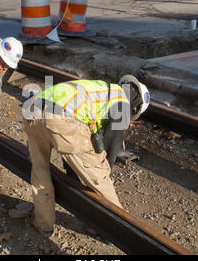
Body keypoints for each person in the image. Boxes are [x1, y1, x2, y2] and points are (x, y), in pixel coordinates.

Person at [22, 75, 150, 236]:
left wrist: (73, 169)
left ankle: (43, 224)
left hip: (32, 110)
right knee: (100, 177)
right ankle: (120, 234)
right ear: (135, 107)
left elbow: (77, 139)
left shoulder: (100, 89)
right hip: (60, 117)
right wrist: (100, 173)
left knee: (39, 171)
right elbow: (110, 150)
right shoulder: (122, 103)